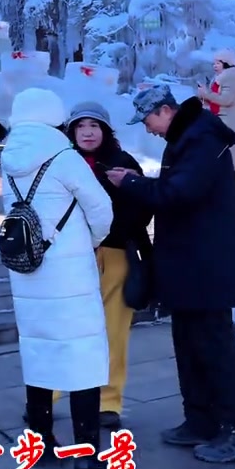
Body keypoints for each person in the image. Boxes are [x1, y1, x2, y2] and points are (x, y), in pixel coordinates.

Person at [107, 83, 235, 464]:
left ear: (164, 110)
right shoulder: (188, 137)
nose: (147, 129)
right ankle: (201, 421)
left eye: (146, 120)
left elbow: (180, 194)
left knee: (215, 350)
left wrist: (133, 183)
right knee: (189, 347)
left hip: (208, 268)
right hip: (190, 267)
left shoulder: (202, 138)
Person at [2, 89, 114, 469]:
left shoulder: (8, 158)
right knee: (82, 356)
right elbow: (100, 209)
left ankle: (40, 441)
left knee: (38, 353)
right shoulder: (64, 157)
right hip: (69, 272)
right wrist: (91, 241)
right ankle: (87, 455)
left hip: (27, 271)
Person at [66, 102, 151, 428]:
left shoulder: (123, 163)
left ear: (106, 130)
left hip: (114, 255)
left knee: (113, 331)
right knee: (72, 329)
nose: (88, 132)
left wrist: (108, 233)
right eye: (81, 126)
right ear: (71, 131)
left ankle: (108, 401)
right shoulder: (63, 163)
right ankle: (55, 393)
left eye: (95, 125)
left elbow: (142, 211)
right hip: (73, 259)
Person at [197, 49, 235, 209]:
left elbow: (226, 100)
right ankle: (233, 197)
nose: (215, 66)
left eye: (218, 62)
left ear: (226, 63)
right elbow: (218, 101)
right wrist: (204, 97)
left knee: (230, 161)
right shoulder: (222, 78)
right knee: (227, 161)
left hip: (231, 123)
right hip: (223, 121)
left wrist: (206, 94)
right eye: (214, 62)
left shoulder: (232, 77)